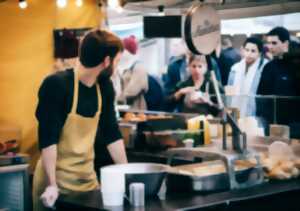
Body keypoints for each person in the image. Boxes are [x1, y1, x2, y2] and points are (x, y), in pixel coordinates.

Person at [33, 29, 128, 211]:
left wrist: (127, 173)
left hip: (87, 181)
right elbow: (48, 139)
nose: (117, 66)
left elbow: (111, 133)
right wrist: (52, 184)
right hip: (54, 183)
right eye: (117, 61)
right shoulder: (56, 85)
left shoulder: (104, 87)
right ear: (106, 61)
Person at [257, 26, 300, 137]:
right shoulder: (268, 67)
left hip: (294, 127)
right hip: (272, 126)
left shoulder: (296, 65)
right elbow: (261, 96)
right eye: (268, 43)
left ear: (285, 44)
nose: (270, 47)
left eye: (274, 43)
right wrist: (263, 119)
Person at [227, 37, 268, 117]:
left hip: (255, 112)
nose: (249, 54)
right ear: (243, 50)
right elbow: (229, 93)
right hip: (235, 111)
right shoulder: (234, 68)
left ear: (259, 53)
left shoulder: (264, 68)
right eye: (247, 50)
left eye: (253, 51)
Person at [116, 35, 149, 110]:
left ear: (127, 52)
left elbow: (133, 91)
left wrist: (117, 99)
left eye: (121, 50)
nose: (119, 53)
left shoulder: (139, 67)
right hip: (123, 108)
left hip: (136, 109)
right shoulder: (121, 67)